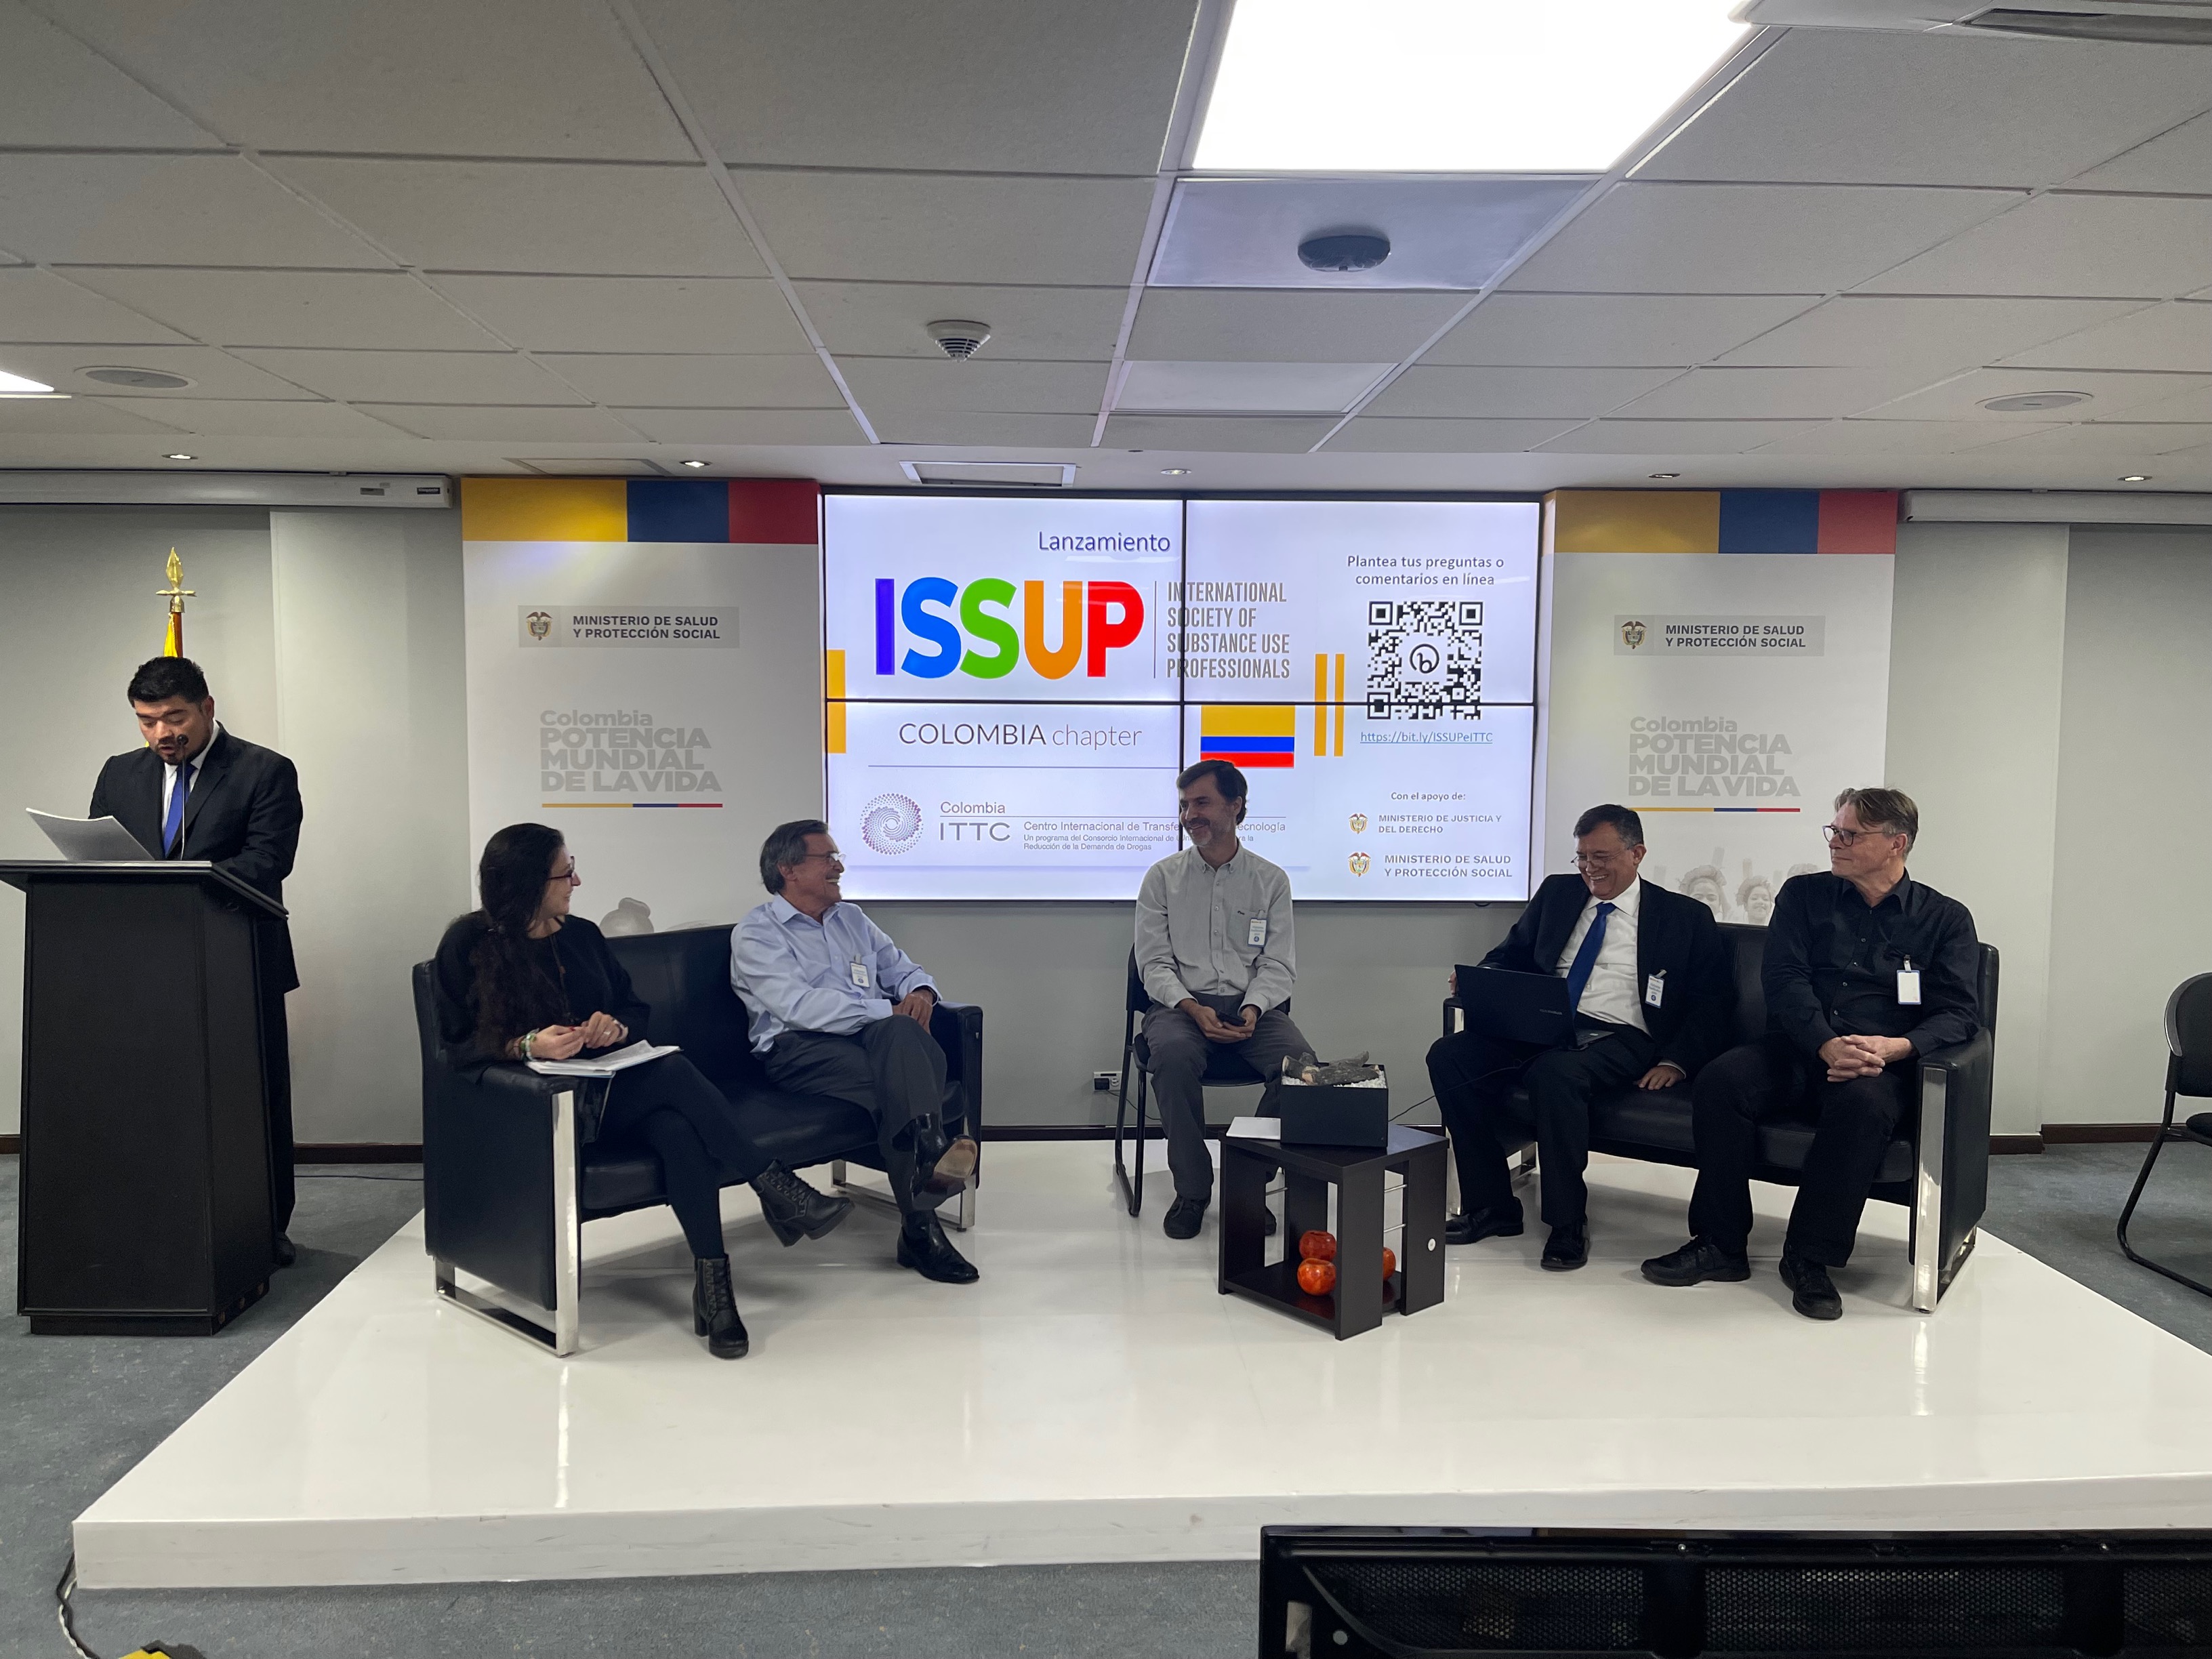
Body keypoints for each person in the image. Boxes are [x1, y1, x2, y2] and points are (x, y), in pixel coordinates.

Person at [435, 824, 851, 1360]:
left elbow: (634, 1010)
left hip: (610, 1094)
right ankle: (776, 1188)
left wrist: (615, 1027)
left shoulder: (583, 936)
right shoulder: (467, 945)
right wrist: (528, 1044)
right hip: (539, 1111)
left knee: (677, 1128)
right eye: (565, 874)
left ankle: (716, 1289)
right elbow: (455, 1045)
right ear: (527, 883)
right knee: (672, 1073)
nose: (577, 882)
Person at [1642, 787, 1982, 1320]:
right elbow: (1784, 980)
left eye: (1850, 834)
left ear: (1897, 843)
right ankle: (1719, 1243)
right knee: (1722, 1081)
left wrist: (1896, 1047)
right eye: (1834, 830)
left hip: (1877, 1063)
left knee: (1863, 1106)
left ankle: (1809, 1258)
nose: (1835, 842)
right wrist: (1825, 1043)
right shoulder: (1804, 895)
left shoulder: (1945, 919)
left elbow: (1960, 1012)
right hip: (1800, 1046)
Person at [1427, 804, 1732, 1269]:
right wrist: (1482, 978)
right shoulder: (1558, 893)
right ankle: (1492, 1206)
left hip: (1621, 1033)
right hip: (1542, 1023)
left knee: (1555, 1074)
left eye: (1602, 857)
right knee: (1450, 1055)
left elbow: (1712, 1002)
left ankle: (1566, 1223)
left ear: (1637, 854)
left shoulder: (1684, 916)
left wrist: (1676, 1060)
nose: (1590, 869)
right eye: (1583, 857)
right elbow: (1511, 954)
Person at [89, 656, 306, 1265]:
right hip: (143, 970)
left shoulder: (265, 770)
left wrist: (179, 887)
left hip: (239, 962)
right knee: (153, 1099)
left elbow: (267, 861)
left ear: (207, 708)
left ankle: (264, 1226)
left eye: (174, 717)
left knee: (254, 1100)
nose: (162, 733)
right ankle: (157, 1219)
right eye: (147, 721)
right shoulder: (118, 773)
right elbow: (99, 857)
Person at [731, 821, 981, 1286]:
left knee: (902, 1040)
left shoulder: (852, 919)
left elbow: (904, 970)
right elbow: (800, 1008)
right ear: (788, 869)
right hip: (798, 1050)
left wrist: (921, 994)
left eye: (837, 857)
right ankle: (922, 1211)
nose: (839, 867)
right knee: (903, 1070)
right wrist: (887, 1009)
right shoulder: (757, 933)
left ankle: (926, 1162)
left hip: (870, 1041)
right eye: (827, 858)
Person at [1134, 760, 1313, 1241]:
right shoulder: (1162, 878)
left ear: (1236, 806)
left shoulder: (1270, 880)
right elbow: (1154, 964)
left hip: (1252, 1007)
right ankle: (1193, 1191)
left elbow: (1278, 965)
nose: (1189, 815)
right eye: (1184, 805)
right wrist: (1192, 1008)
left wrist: (1253, 1008)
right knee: (1171, 1058)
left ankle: (1248, 1183)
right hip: (1179, 1007)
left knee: (1302, 1070)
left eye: (1202, 802)